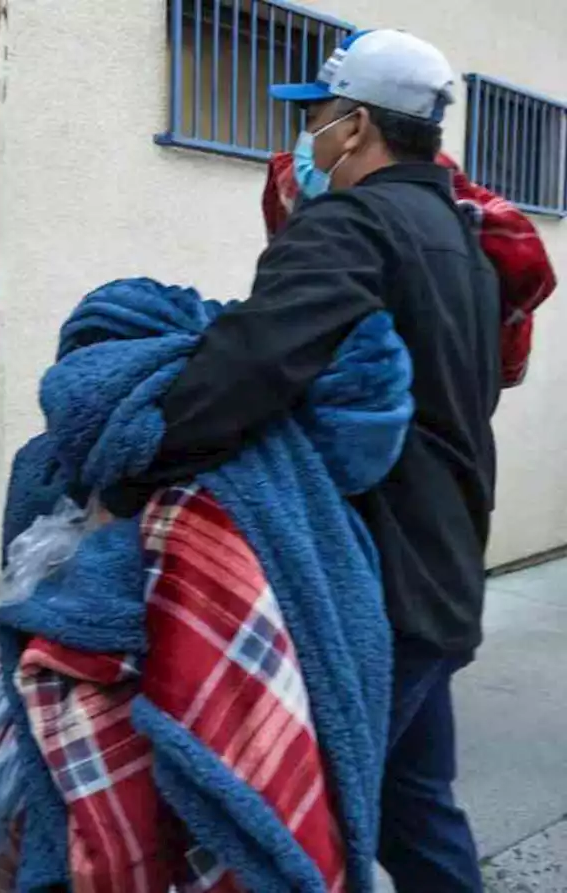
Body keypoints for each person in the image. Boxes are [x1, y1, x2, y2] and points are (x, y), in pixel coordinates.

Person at [129, 30, 497, 892]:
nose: (306, 137)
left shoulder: (350, 223)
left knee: (300, 833)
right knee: (415, 811)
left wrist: (130, 470)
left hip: (371, 591)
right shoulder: (461, 242)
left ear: (357, 126)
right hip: (441, 575)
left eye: (318, 118)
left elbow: (249, 363)